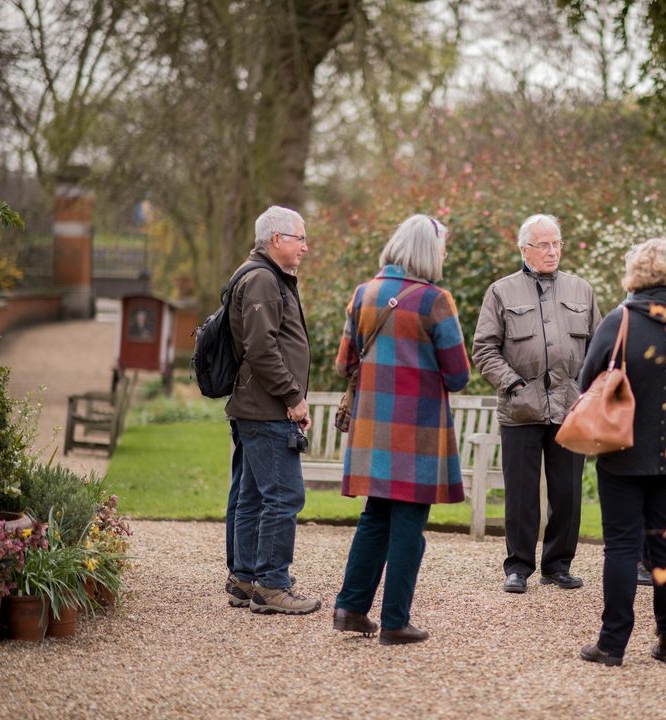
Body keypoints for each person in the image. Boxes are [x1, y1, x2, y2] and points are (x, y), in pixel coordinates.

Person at [332, 214, 471, 645]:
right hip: (418, 431)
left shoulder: (365, 293)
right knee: (409, 524)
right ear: (429, 252)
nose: (445, 254)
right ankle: (395, 622)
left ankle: (351, 608)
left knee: (375, 517)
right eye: (443, 247)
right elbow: (459, 374)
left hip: (373, 428)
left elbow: (343, 363)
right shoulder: (435, 301)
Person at [577, 238, 666, 667]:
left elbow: (586, 379)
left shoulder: (620, 320)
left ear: (638, 274)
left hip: (622, 449)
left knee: (621, 546)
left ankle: (612, 644)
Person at [473, 214, 601, 593]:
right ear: (524, 249)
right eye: (543, 245)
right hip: (520, 408)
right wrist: (511, 383)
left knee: (567, 493)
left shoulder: (582, 290)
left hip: (570, 408)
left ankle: (558, 565)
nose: (552, 251)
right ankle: (518, 567)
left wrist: (585, 389)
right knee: (521, 495)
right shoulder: (501, 291)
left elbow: (599, 346)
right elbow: (484, 348)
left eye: (556, 243)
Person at [224, 205, 319, 614]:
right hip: (266, 409)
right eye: (300, 238)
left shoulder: (261, 274)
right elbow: (262, 350)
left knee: (251, 496)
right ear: (277, 239)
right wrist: (293, 398)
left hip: (255, 406)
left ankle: (245, 579)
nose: (305, 246)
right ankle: (272, 585)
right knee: (283, 496)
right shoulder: (263, 279)